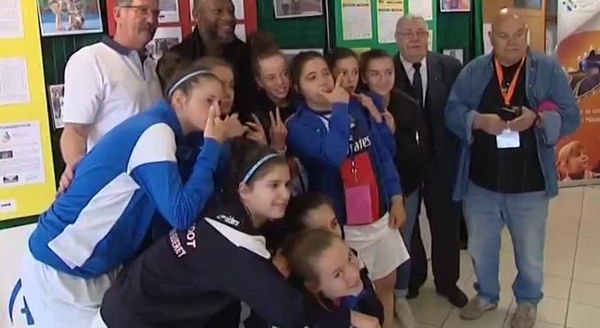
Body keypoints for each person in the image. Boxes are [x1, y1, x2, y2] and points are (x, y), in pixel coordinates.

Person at [20, 55, 230, 328]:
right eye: (208, 101)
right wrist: (213, 147)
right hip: (64, 266)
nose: (218, 110)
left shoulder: (165, 133)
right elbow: (181, 213)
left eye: (221, 102)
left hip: (94, 264)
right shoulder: (154, 132)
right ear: (179, 99)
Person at [93, 138, 377, 328]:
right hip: (131, 319)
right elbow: (287, 310)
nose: (284, 195)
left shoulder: (226, 211)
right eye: (273, 185)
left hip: (134, 299)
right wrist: (350, 318)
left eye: (287, 185)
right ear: (244, 190)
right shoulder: (234, 247)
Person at [445, 9, 581, 328]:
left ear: (526, 35)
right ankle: (487, 295)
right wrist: (477, 121)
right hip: (481, 184)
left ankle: (528, 301)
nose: (512, 42)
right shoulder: (474, 71)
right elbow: (451, 111)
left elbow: (571, 116)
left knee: (530, 251)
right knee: (480, 247)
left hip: (530, 184)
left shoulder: (547, 69)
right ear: (491, 38)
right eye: (504, 36)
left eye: (519, 34)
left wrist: (538, 118)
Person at [286, 51, 409, 328]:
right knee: (356, 289)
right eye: (312, 77)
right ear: (297, 87)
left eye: (325, 74)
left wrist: (396, 197)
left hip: (377, 211)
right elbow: (333, 154)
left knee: (387, 279)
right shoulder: (298, 126)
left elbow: (381, 156)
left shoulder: (356, 107)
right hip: (341, 222)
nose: (323, 81)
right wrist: (340, 107)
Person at [392, 14, 467, 307]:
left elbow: (460, 112)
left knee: (446, 224)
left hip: (442, 161)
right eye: (407, 33)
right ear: (397, 38)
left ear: (429, 36)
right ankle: (414, 277)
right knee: (407, 225)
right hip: (403, 164)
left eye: (420, 32)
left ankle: (448, 282)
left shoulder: (449, 68)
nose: (414, 38)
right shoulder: (386, 70)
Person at [59, 0, 162, 192]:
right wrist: (78, 170)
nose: (151, 20)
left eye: (155, 13)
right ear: (118, 14)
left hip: (150, 187)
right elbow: (75, 131)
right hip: (111, 188)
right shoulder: (90, 60)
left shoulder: (151, 65)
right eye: (141, 10)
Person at [360, 48, 426, 328]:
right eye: (375, 74)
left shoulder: (408, 105)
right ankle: (371, 295)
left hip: (405, 186)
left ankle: (400, 297)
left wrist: (394, 132)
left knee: (403, 243)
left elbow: (419, 155)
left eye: (388, 72)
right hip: (369, 192)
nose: (383, 79)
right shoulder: (359, 105)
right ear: (364, 77)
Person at [278, 193, 384, 324]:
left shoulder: (349, 255)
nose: (333, 235)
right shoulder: (299, 301)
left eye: (334, 224)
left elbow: (374, 309)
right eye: (320, 233)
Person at [168, 0, 256, 117]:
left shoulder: (247, 55)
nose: (228, 18)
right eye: (218, 11)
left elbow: (254, 105)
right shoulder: (176, 58)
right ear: (196, 15)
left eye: (231, 12)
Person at [249, 31, 295, 153]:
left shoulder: (301, 101)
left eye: (285, 73)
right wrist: (273, 146)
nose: (281, 82)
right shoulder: (256, 116)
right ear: (259, 81)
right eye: (271, 77)